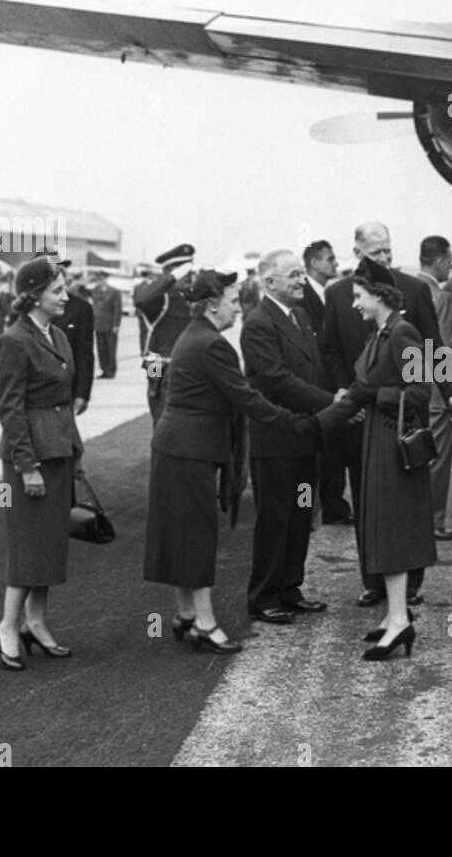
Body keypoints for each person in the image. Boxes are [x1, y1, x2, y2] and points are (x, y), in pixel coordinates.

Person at [143, 270, 313, 653]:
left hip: (178, 447)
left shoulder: (195, 335)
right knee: (198, 536)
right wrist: (297, 422)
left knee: (182, 534)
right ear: (214, 303)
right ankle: (204, 622)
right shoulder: (212, 345)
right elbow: (248, 400)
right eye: (234, 301)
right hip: (190, 449)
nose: (239, 308)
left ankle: (185, 614)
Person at [320, 221, 452, 607]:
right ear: (357, 252)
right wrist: (345, 392)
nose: (385, 258)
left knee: (405, 502)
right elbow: (330, 350)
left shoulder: (413, 290)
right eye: (376, 253)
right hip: (356, 413)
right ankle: (374, 580)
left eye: (388, 250)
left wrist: (451, 392)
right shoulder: (338, 295)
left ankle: (409, 584)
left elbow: (434, 346)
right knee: (366, 499)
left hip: (396, 414)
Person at [316, 269, 435, 660]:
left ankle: (400, 621)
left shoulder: (404, 332)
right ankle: (393, 615)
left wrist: (375, 395)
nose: (354, 304)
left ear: (379, 296)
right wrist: (317, 424)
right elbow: (359, 392)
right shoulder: (379, 334)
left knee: (392, 528)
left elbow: (419, 391)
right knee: (380, 526)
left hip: (392, 441)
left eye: (359, 296)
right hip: (377, 438)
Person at [0, 258, 83, 671]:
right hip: (29, 459)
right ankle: (7, 628)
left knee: (48, 545)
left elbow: (64, 403)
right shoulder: (15, 340)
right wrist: (27, 467)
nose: (65, 296)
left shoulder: (58, 336)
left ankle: (37, 622)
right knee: (28, 546)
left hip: (58, 453)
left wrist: (75, 452)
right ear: (33, 295)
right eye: (57, 290)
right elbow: (11, 409)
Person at [240, 251, 336, 625]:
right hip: (277, 440)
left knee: (300, 513)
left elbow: (316, 369)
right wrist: (331, 403)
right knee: (275, 517)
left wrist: (329, 403)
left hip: (304, 440)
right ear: (270, 282)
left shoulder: (300, 317)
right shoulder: (258, 324)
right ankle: (263, 596)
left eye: (300, 274)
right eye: (293, 275)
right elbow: (276, 379)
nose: (300, 280)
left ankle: (290, 587)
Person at [414, 235, 452, 541]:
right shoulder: (442, 297)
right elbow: (444, 350)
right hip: (437, 389)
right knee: (438, 459)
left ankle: (415, 517)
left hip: (414, 382)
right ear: (440, 261)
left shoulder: (407, 290)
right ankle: (433, 521)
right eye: (449, 260)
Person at [299, 240, 352, 525]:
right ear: (315, 263)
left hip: (331, 388)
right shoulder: (302, 296)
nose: (335, 264)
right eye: (330, 259)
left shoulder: (331, 294)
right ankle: (306, 510)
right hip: (312, 389)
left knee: (333, 452)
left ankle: (333, 505)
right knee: (310, 460)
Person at [134, 244, 196, 424]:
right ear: (171, 271)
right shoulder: (161, 298)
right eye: (185, 271)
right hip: (157, 362)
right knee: (160, 412)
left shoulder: (188, 297)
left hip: (184, 363)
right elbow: (143, 299)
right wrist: (170, 278)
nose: (189, 275)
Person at [50, 263, 94, 416]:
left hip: (157, 358)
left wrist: (82, 392)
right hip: (155, 356)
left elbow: (84, 353)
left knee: (159, 395)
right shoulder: (26, 306)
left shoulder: (80, 308)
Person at [89, 270, 122, 379]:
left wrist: (116, 325)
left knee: (111, 349)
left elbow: (117, 309)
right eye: (98, 279)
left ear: (105, 279)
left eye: (101, 279)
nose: (100, 281)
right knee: (101, 349)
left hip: (110, 325)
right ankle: (104, 370)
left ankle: (111, 370)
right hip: (98, 325)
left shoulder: (114, 292)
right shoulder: (95, 291)